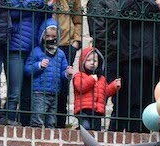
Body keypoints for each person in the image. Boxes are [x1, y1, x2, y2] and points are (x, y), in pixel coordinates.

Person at [113, 0, 160, 132]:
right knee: (135, 101)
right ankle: (135, 134)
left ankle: (144, 133)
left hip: (152, 58)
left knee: (148, 102)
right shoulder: (150, 4)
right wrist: (154, 6)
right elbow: (124, 13)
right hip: (135, 56)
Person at [5, 0, 47, 126]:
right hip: (16, 47)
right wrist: (34, 3)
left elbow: (45, 19)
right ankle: (9, 119)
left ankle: (25, 124)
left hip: (33, 48)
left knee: (28, 93)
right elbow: (11, 13)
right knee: (14, 91)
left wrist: (47, 6)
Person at [27, 19, 69, 128]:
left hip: (54, 92)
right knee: (38, 119)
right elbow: (27, 69)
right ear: (42, 36)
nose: (50, 39)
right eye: (47, 36)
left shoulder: (60, 54)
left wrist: (67, 74)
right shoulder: (36, 51)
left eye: (53, 37)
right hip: (39, 92)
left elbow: (63, 71)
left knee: (51, 122)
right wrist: (39, 65)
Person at [70, 45, 121, 131]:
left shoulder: (101, 78)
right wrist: (92, 79)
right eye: (88, 60)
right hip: (83, 110)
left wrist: (113, 86)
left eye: (95, 60)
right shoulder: (79, 76)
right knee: (85, 127)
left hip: (96, 111)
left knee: (96, 130)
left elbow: (105, 93)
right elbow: (80, 87)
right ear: (83, 62)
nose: (92, 63)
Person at [53, 0, 84, 128]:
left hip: (67, 45)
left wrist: (76, 42)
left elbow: (78, 19)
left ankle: (60, 123)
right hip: (46, 42)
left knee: (63, 85)